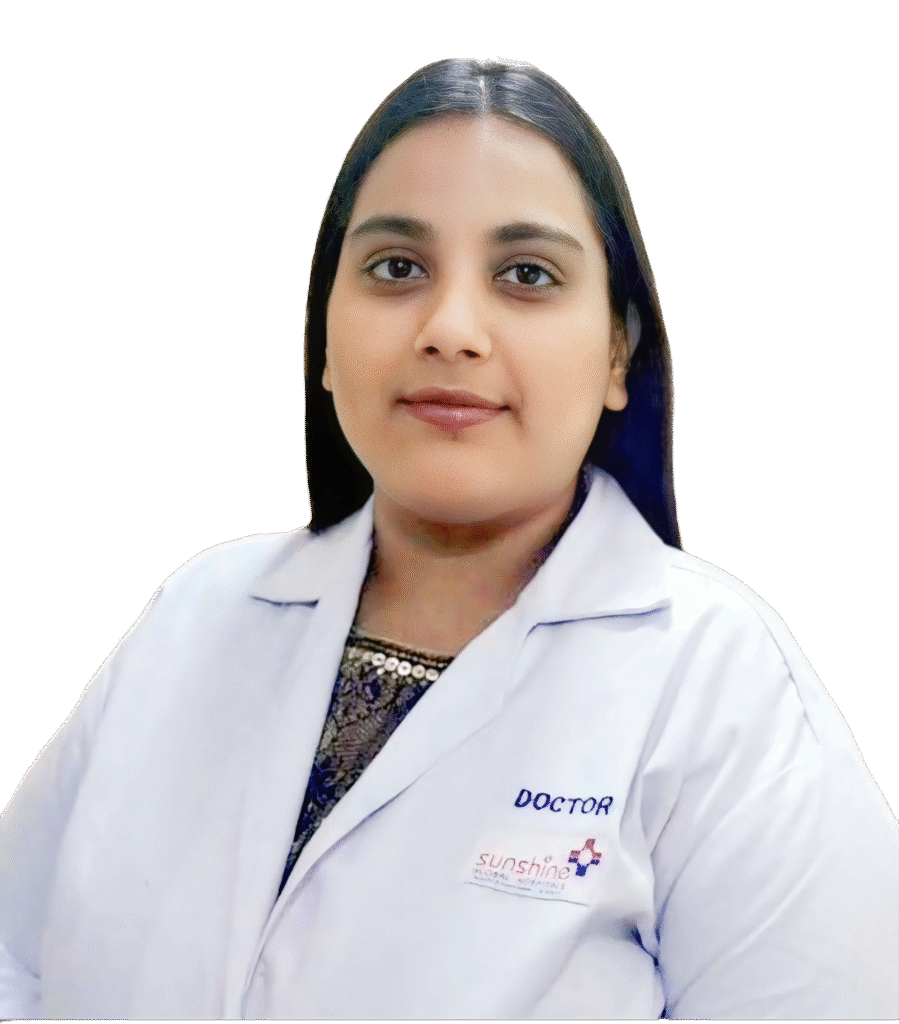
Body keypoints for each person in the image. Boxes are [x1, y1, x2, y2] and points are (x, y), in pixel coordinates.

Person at [1, 56, 896, 1021]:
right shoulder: (196, 611)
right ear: (324, 340)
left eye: (526, 275)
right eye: (396, 268)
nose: (451, 328)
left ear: (616, 352)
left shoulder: (719, 683)